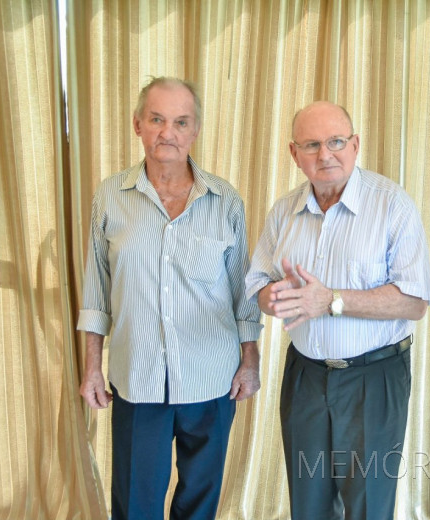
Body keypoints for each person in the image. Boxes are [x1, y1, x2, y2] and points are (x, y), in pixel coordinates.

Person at [77, 77, 262, 520]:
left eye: (180, 122)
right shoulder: (110, 197)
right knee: (135, 502)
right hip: (138, 378)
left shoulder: (226, 201)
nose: (168, 132)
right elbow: (95, 289)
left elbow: (244, 293)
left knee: (200, 501)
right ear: (137, 124)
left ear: (195, 130)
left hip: (212, 378)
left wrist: (250, 361)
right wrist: (92, 368)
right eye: (157, 119)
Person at [245, 101, 430, 520]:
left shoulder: (392, 205)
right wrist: (275, 297)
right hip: (305, 376)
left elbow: (414, 302)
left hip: (374, 378)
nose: (325, 155)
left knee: (368, 506)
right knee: (308, 505)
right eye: (311, 145)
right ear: (294, 154)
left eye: (336, 142)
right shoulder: (284, 212)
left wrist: (329, 300)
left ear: (355, 145)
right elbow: (256, 284)